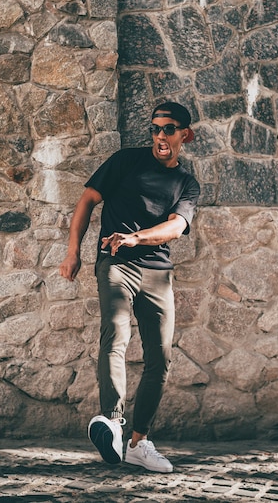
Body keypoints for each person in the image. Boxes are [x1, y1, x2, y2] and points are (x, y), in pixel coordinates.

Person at [59, 101, 200, 473]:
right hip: (116, 263)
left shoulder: (186, 183)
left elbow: (176, 227)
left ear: (186, 134)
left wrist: (138, 238)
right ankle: (112, 421)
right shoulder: (125, 161)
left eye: (168, 129)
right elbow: (87, 200)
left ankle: (139, 443)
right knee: (116, 335)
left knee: (161, 358)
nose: (160, 136)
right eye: (154, 129)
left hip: (157, 271)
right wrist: (73, 252)